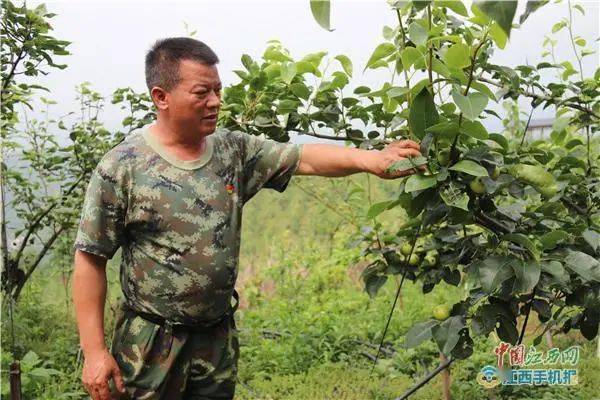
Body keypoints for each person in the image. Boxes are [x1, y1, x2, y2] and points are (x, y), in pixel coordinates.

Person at [72, 37, 423, 400]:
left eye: (218, 90)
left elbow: (304, 158)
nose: (215, 102)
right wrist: (95, 352)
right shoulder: (124, 166)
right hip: (149, 344)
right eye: (202, 92)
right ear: (161, 97)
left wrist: (371, 160)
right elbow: (90, 259)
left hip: (215, 339)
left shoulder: (232, 151)